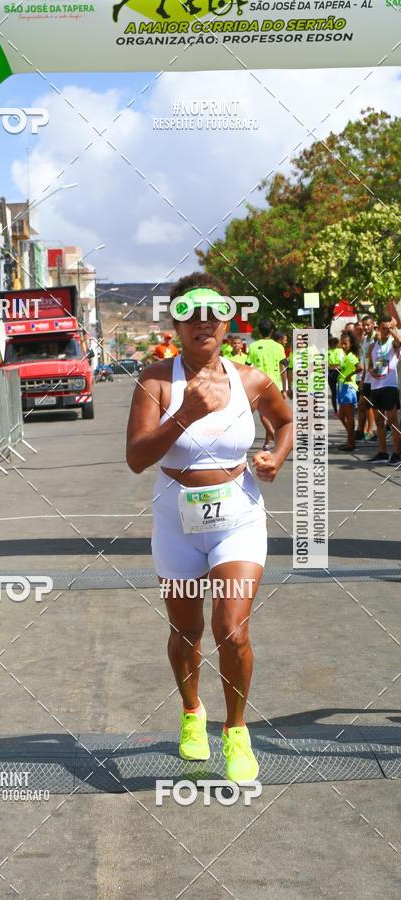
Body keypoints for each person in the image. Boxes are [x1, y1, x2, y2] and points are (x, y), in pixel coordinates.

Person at [126, 273, 293, 784]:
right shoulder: (157, 381)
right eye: (191, 315)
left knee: (232, 629)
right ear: (176, 325)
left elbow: (286, 422)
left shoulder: (251, 380)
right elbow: (136, 457)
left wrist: (275, 458)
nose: (204, 323)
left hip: (237, 516)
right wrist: (185, 414)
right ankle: (192, 711)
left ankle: (236, 730)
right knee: (186, 630)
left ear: (227, 322)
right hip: (176, 521)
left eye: (214, 314)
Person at [246, 319, 287, 451]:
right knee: (272, 415)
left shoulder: (253, 346)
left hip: (259, 385)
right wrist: (285, 388)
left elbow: (247, 367)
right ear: (272, 331)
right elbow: (283, 368)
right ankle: (268, 443)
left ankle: (275, 438)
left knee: (264, 415)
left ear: (259, 331)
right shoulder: (279, 347)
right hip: (276, 385)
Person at [367, 315, 401, 465]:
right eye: (384, 328)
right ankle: (382, 452)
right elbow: (370, 364)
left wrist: (392, 329)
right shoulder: (373, 346)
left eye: (389, 328)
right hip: (376, 386)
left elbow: (400, 342)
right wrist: (371, 371)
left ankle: (397, 453)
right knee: (379, 421)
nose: (386, 331)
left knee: (392, 420)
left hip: (390, 386)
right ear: (378, 327)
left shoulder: (393, 342)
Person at [336, 332, 362, 451]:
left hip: (349, 388)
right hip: (343, 387)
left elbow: (360, 368)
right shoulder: (346, 356)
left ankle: (351, 443)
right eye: (342, 343)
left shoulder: (351, 356)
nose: (343, 346)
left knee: (349, 416)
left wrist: (349, 376)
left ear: (351, 344)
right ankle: (351, 439)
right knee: (342, 416)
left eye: (345, 343)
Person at [356, 315, 376, 442]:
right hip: (367, 377)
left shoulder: (377, 338)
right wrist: (363, 377)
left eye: (368, 325)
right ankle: (361, 431)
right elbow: (364, 360)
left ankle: (370, 431)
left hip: (376, 377)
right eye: (364, 325)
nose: (366, 327)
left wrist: (376, 372)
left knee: (367, 404)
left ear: (373, 324)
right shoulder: (364, 340)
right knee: (363, 404)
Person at [327, 335, 344, 414]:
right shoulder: (340, 351)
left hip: (332, 372)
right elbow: (342, 362)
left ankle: (336, 411)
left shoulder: (328, 352)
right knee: (339, 392)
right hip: (338, 372)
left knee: (334, 393)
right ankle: (338, 410)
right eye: (332, 343)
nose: (333, 345)